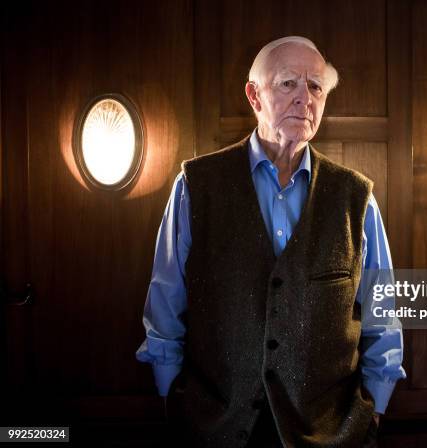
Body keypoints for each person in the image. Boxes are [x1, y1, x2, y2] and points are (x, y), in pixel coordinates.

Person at [136, 36, 406, 447]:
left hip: (331, 435)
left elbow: (382, 316)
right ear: (254, 96)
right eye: (287, 84)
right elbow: (165, 304)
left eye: (315, 86)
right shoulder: (195, 188)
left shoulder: (357, 200)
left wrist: (374, 412)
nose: (304, 98)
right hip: (213, 430)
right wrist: (174, 402)